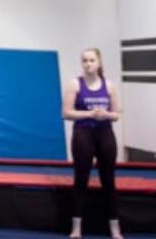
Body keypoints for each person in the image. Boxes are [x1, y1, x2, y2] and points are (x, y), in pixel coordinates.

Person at [62, 48, 123, 239]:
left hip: (105, 134)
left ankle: (115, 229)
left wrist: (105, 115)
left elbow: (117, 114)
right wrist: (89, 114)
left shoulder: (109, 85)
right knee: (81, 180)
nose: (88, 64)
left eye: (91, 60)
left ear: (99, 62)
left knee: (109, 181)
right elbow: (66, 113)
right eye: (85, 61)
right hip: (83, 133)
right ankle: (76, 228)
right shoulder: (75, 84)